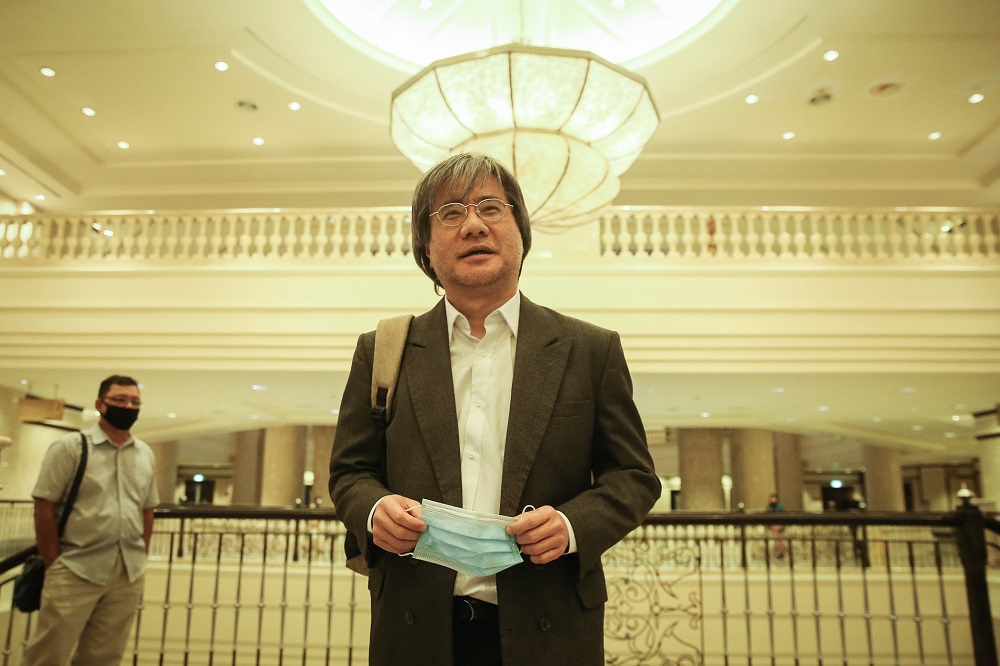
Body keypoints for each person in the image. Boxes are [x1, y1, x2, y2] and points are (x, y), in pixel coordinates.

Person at [329, 152, 661, 666]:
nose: (474, 225)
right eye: (451, 213)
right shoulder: (383, 351)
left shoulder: (589, 350)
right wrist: (374, 511)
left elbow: (634, 476)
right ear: (426, 245)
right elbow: (351, 472)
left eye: (490, 207)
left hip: (550, 629)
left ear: (521, 232)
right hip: (415, 628)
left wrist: (573, 525)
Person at [21, 375, 159, 666]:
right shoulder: (70, 448)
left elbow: (147, 510)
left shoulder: (145, 454)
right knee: (48, 654)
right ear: (101, 404)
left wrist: (140, 554)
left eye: (134, 401)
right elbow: (44, 506)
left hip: (127, 573)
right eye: (120, 400)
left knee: (104, 657)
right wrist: (54, 562)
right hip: (75, 568)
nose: (128, 406)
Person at [765, 493, 788, 559]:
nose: (773, 500)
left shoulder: (780, 506)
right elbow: (767, 515)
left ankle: (781, 551)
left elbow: (783, 515)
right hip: (773, 525)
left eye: (774, 498)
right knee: (776, 539)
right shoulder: (769, 507)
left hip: (779, 524)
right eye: (772, 498)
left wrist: (782, 525)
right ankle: (778, 551)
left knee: (780, 539)